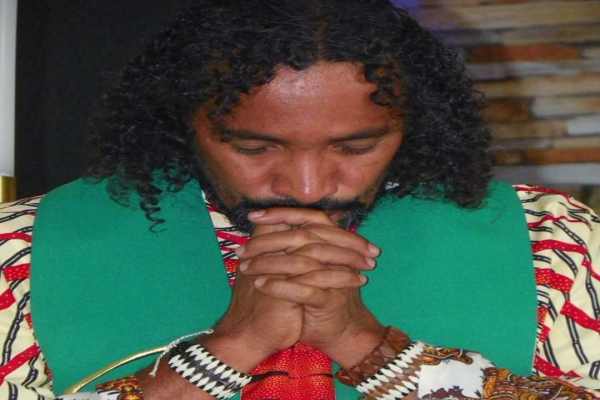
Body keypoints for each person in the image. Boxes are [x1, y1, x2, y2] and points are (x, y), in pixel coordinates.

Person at [1, 1, 599, 399]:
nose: (308, 187)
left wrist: (371, 348)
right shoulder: (19, 252)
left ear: (413, 124)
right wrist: (226, 352)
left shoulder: (553, 243)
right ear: (183, 122)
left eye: (357, 146)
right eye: (253, 147)